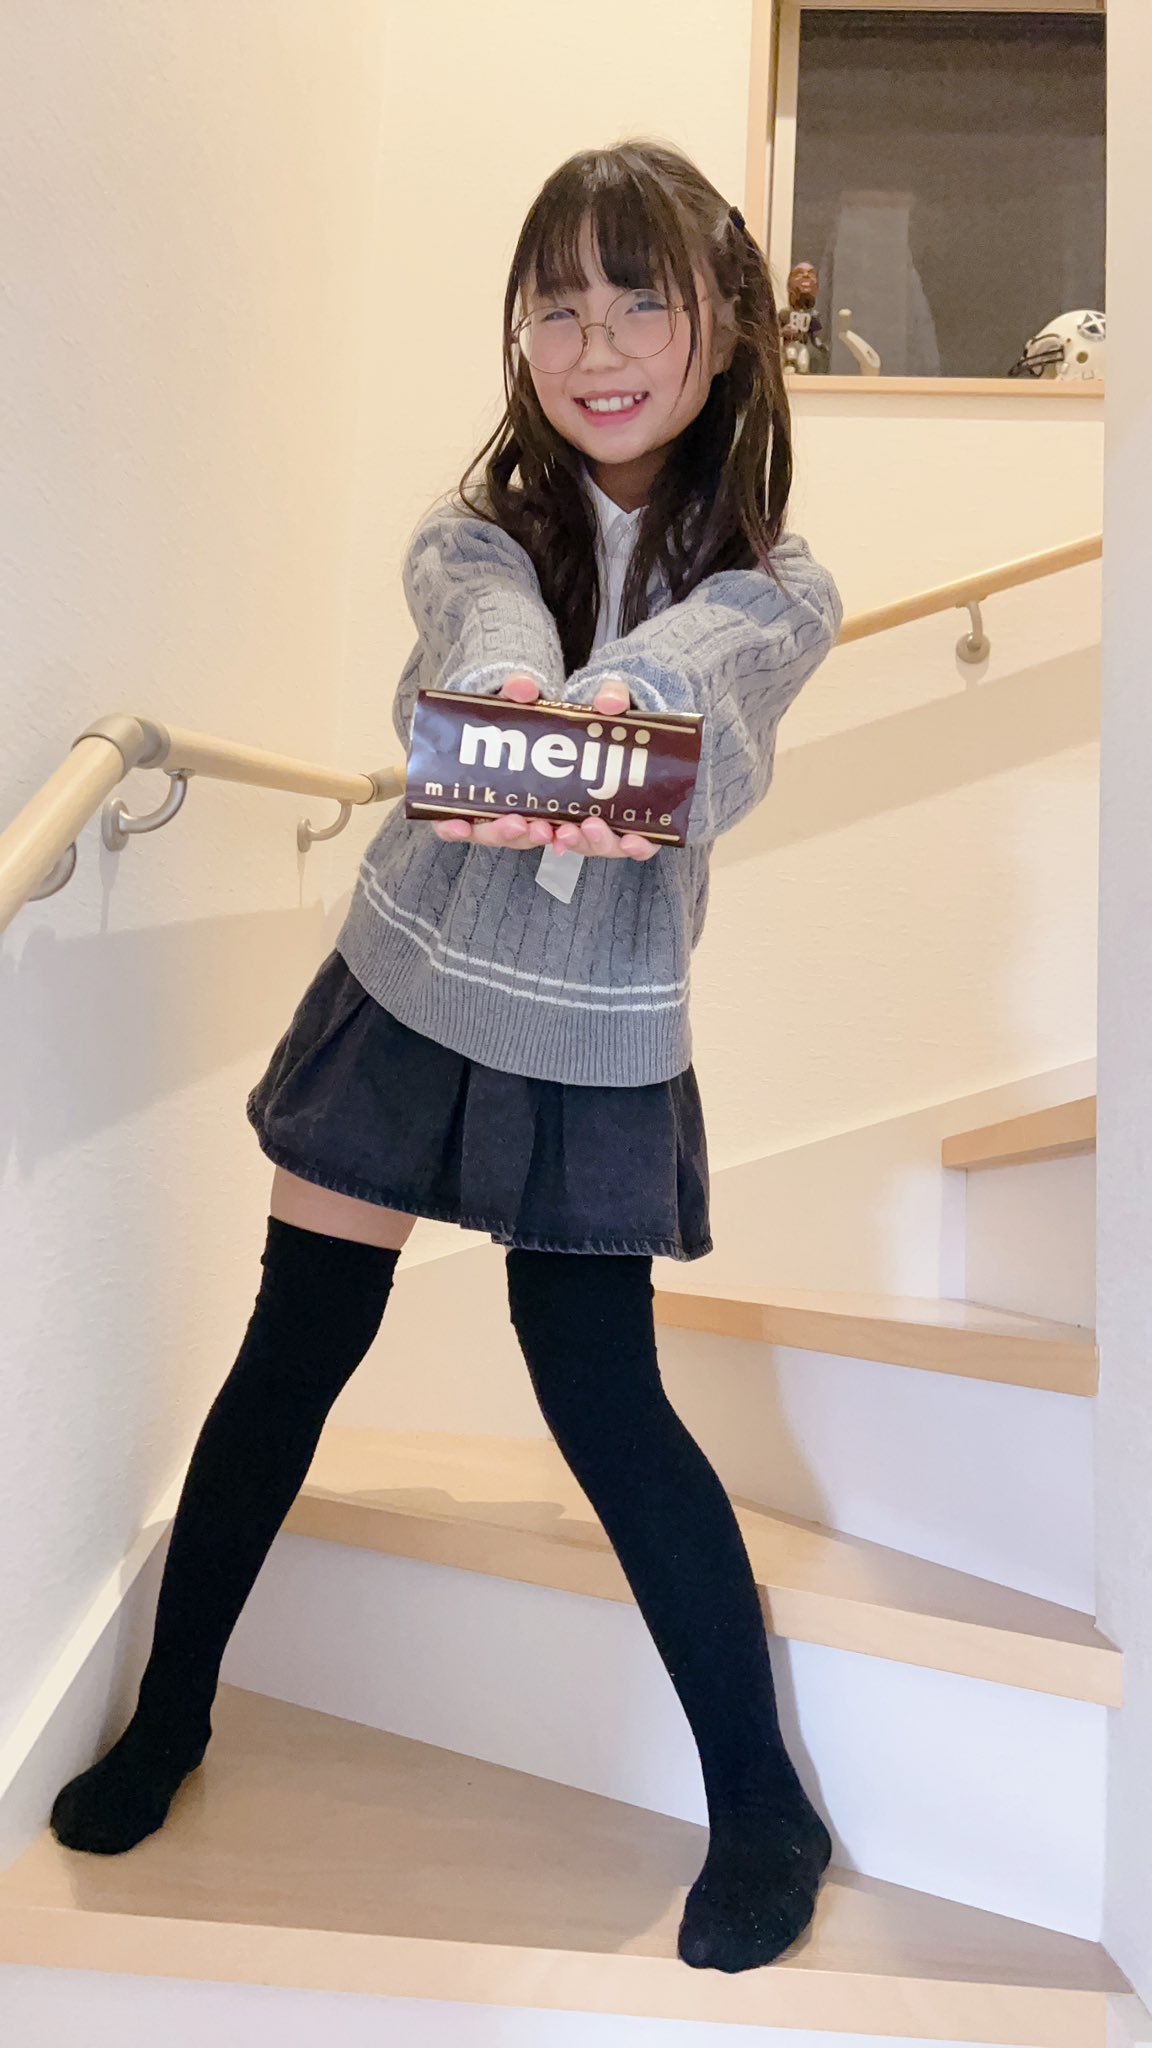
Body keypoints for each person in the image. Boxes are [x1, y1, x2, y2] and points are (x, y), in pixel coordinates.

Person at [50, 140, 842, 1975]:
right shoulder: (473, 528)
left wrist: (611, 708)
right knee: (294, 1350)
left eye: (639, 297)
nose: (596, 343)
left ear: (729, 322)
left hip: (597, 1032)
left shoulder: (781, 587)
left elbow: (702, 696)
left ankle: (762, 1803)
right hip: (408, 986)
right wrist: (516, 705)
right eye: (557, 305)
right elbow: (477, 634)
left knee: (605, 1401)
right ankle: (173, 1717)